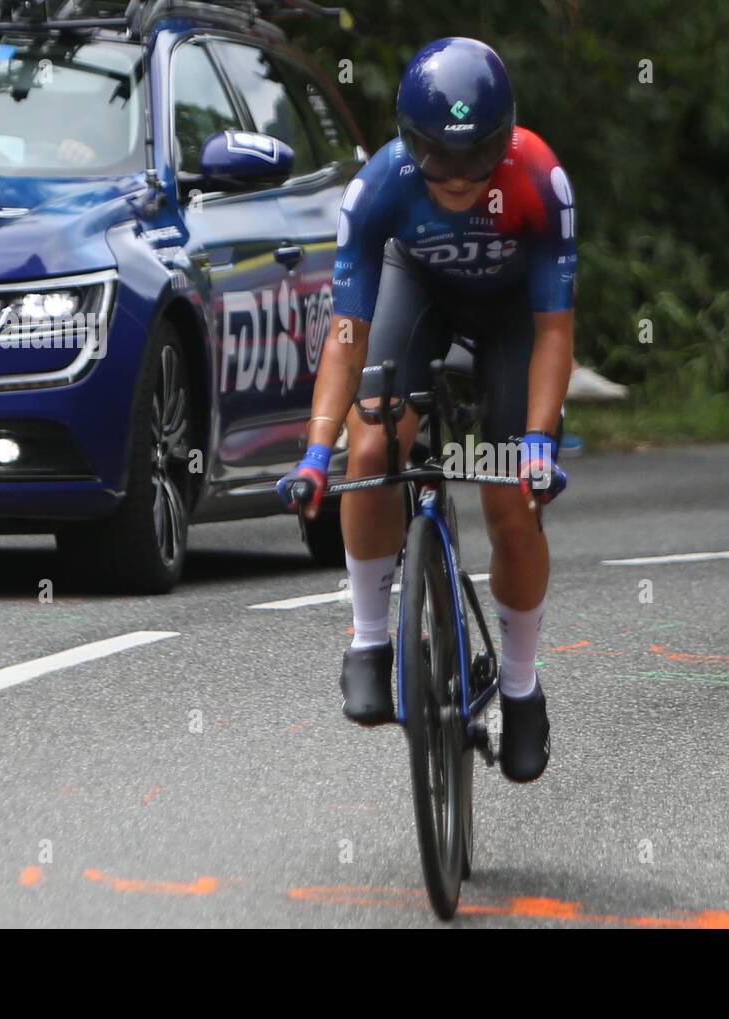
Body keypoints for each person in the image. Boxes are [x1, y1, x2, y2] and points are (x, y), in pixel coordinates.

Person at [278, 37, 576, 783]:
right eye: (436, 161)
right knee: (373, 449)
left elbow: (553, 334)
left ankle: (520, 686)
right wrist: (318, 452)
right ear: (410, 146)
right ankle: (371, 637)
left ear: (504, 141)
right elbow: (346, 339)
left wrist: (538, 440)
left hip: (512, 315)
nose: (455, 180)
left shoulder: (542, 180)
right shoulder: (378, 187)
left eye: (477, 160)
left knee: (512, 502)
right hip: (418, 288)